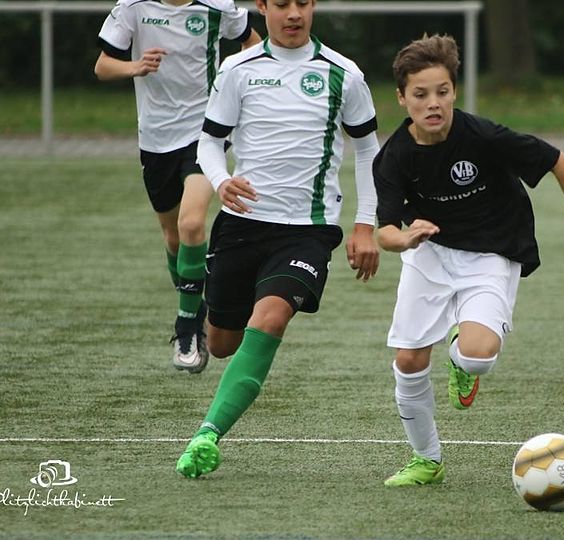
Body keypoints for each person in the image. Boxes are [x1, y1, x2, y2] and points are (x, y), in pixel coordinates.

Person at [373, 35, 564, 486]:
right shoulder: (394, 157)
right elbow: (385, 231)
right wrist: (405, 238)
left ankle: (460, 358)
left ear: (454, 91)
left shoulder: (482, 136)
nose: (433, 103)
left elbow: (559, 161)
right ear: (402, 98)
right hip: (429, 254)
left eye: (442, 91)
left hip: (490, 253)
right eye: (420, 94)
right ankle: (427, 460)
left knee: (478, 357)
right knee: (409, 361)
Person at [175, 0, 381, 478]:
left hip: (308, 231)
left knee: (269, 319)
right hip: (242, 224)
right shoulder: (237, 69)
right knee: (222, 344)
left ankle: (207, 434)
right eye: (282, 3)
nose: (294, 14)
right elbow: (209, 142)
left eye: (303, 3)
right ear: (262, 7)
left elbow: (368, 150)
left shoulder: (344, 74)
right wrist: (221, 180)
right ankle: (201, 315)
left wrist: (365, 224)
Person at [95, 0, 261, 373]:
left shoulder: (216, 6)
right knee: (173, 237)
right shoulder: (134, 7)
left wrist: (232, 75)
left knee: (191, 223)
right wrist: (135, 66)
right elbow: (103, 66)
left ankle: (186, 327)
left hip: (205, 132)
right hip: (155, 139)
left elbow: (252, 41)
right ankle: (194, 308)